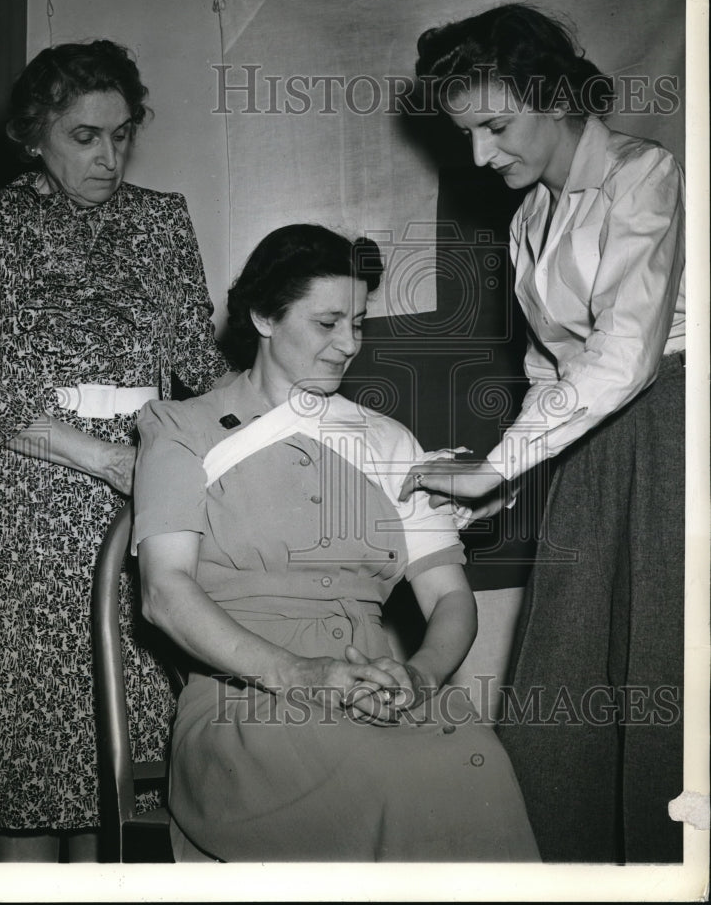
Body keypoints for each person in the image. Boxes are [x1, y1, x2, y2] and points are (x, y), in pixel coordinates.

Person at [132, 224, 540, 862]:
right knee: (402, 787)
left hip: (380, 686)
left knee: (478, 761)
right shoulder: (182, 430)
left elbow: (449, 600)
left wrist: (419, 675)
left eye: (358, 323)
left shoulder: (388, 441)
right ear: (264, 316)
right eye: (327, 323)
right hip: (249, 702)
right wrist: (302, 676)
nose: (349, 344)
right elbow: (164, 592)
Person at [402, 4, 685, 863]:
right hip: (592, 457)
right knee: (571, 675)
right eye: (468, 135)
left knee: (661, 664)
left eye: (495, 125)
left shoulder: (648, 175)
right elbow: (548, 377)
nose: (482, 155)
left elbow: (625, 354)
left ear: (555, 94)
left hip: (674, 439)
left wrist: (505, 463)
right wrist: (497, 479)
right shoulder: (528, 220)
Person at [0, 40, 228, 861]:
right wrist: (115, 463)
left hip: (144, 503)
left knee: (119, 759)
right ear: (35, 133)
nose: (109, 156)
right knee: (34, 766)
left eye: (122, 135)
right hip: (30, 514)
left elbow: (203, 364)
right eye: (86, 136)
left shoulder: (160, 219)